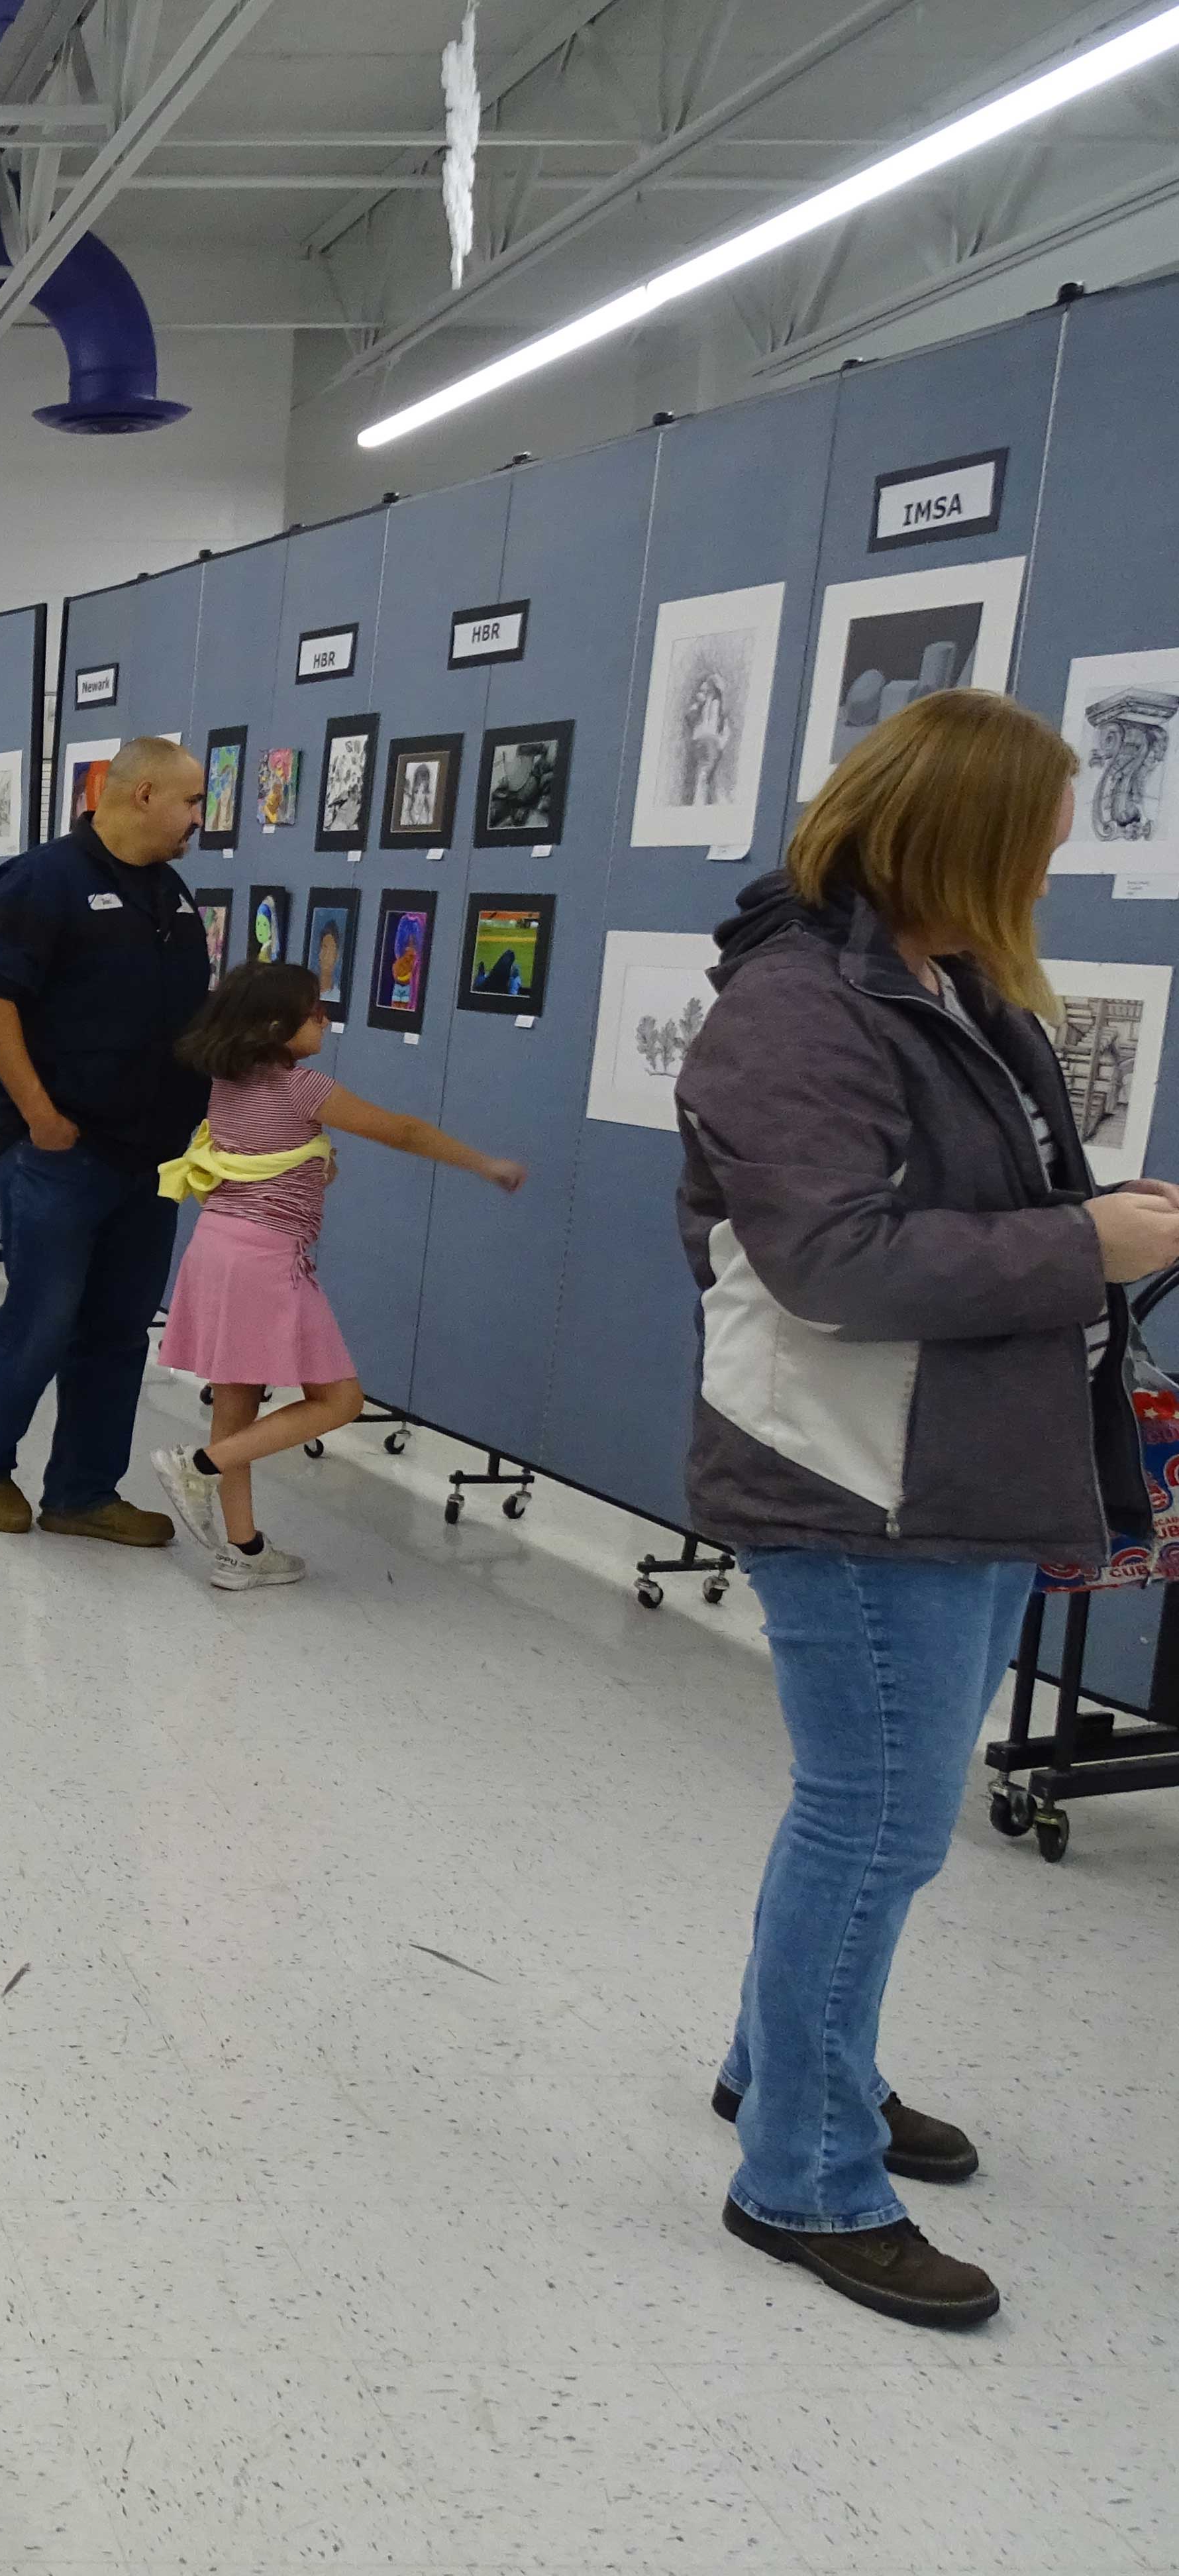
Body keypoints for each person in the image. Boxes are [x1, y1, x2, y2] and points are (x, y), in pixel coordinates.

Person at [676, 688, 1179, 2330]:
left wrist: (1088, 1228)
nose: (1047, 870)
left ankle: (781, 2069)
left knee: (871, 1813)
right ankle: (806, 2177)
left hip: (945, 1459)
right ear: (953, 840)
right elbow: (832, 1261)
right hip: (853, 1474)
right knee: (876, 1822)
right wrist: (1087, 1246)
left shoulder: (937, 981)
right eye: (1032, 843)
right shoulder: (799, 1008)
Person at [148, 963, 524, 1587]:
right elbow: (403, 1132)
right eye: (315, 1011)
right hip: (266, 1260)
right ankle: (199, 1466)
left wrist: (315, 1165)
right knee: (340, 1400)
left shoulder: (228, 1082)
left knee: (236, 1406)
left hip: (217, 1246)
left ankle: (242, 1551)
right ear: (276, 1025)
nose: (326, 1019)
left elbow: (262, 1157)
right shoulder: (303, 1088)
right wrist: (484, 1164)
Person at [0, 735, 213, 1546]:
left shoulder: (171, 894)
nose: (198, 819)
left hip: (152, 1156)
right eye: (192, 801)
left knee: (119, 1331)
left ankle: (84, 1493)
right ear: (142, 795)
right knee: (43, 1319)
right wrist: (39, 1115)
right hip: (58, 1152)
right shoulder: (44, 879)